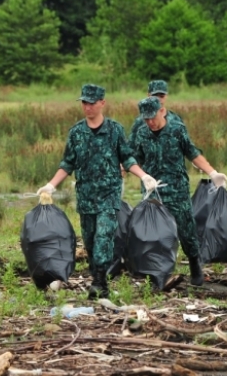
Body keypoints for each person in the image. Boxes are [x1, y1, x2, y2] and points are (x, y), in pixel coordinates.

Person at [37, 84, 157, 299]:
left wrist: (144, 176)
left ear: (102, 103)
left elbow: (127, 158)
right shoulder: (76, 133)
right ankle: (98, 277)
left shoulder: (114, 130)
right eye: (84, 102)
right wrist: (51, 185)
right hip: (86, 196)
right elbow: (67, 163)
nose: (88, 107)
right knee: (91, 241)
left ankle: (99, 282)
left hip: (109, 195)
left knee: (104, 235)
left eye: (92, 103)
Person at [128, 96, 227, 287]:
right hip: (153, 191)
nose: (150, 122)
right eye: (146, 119)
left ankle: (194, 266)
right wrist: (142, 176)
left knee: (185, 229)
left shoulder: (176, 130)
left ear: (162, 111)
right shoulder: (141, 134)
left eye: (153, 117)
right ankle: (159, 274)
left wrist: (212, 172)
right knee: (154, 233)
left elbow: (192, 153)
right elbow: (133, 160)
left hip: (176, 189)